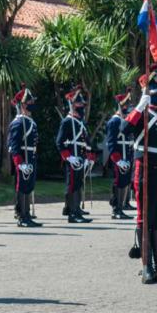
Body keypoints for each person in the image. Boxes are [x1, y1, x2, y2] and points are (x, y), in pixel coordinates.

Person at [123, 70, 157, 283]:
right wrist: (139, 106)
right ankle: (146, 265)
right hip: (144, 168)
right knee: (145, 217)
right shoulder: (141, 114)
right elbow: (124, 128)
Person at [55, 85, 95, 223]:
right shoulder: (67, 121)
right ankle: (72, 213)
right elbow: (59, 142)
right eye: (79, 103)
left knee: (78, 184)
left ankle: (77, 210)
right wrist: (69, 157)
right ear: (72, 105)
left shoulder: (79, 122)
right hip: (73, 158)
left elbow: (85, 142)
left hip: (81, 158)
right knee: (72, 185)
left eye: (82, 104)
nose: (82, 106)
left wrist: (89, 157)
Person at [8, 84, 41, 227]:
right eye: (30, 103)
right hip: (23, 158)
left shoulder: (30, 122)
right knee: (22, 186)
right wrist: (20, 163)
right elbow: (14, 146)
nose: (32, 104)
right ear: (23, 105)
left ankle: (27, 214)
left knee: (29, 186)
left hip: (31, 156)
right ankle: (22, 216)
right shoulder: (18, 122)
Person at [106, 90, 134, 220]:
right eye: (125, 105)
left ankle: (120, 208)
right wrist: (118, 160)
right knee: (119, 182)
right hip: (119, 158)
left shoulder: (126, 120)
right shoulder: (114, 121)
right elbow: (111, 143)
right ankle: (116, 209)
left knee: (125, 183)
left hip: (126, 156)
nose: (127, 107)